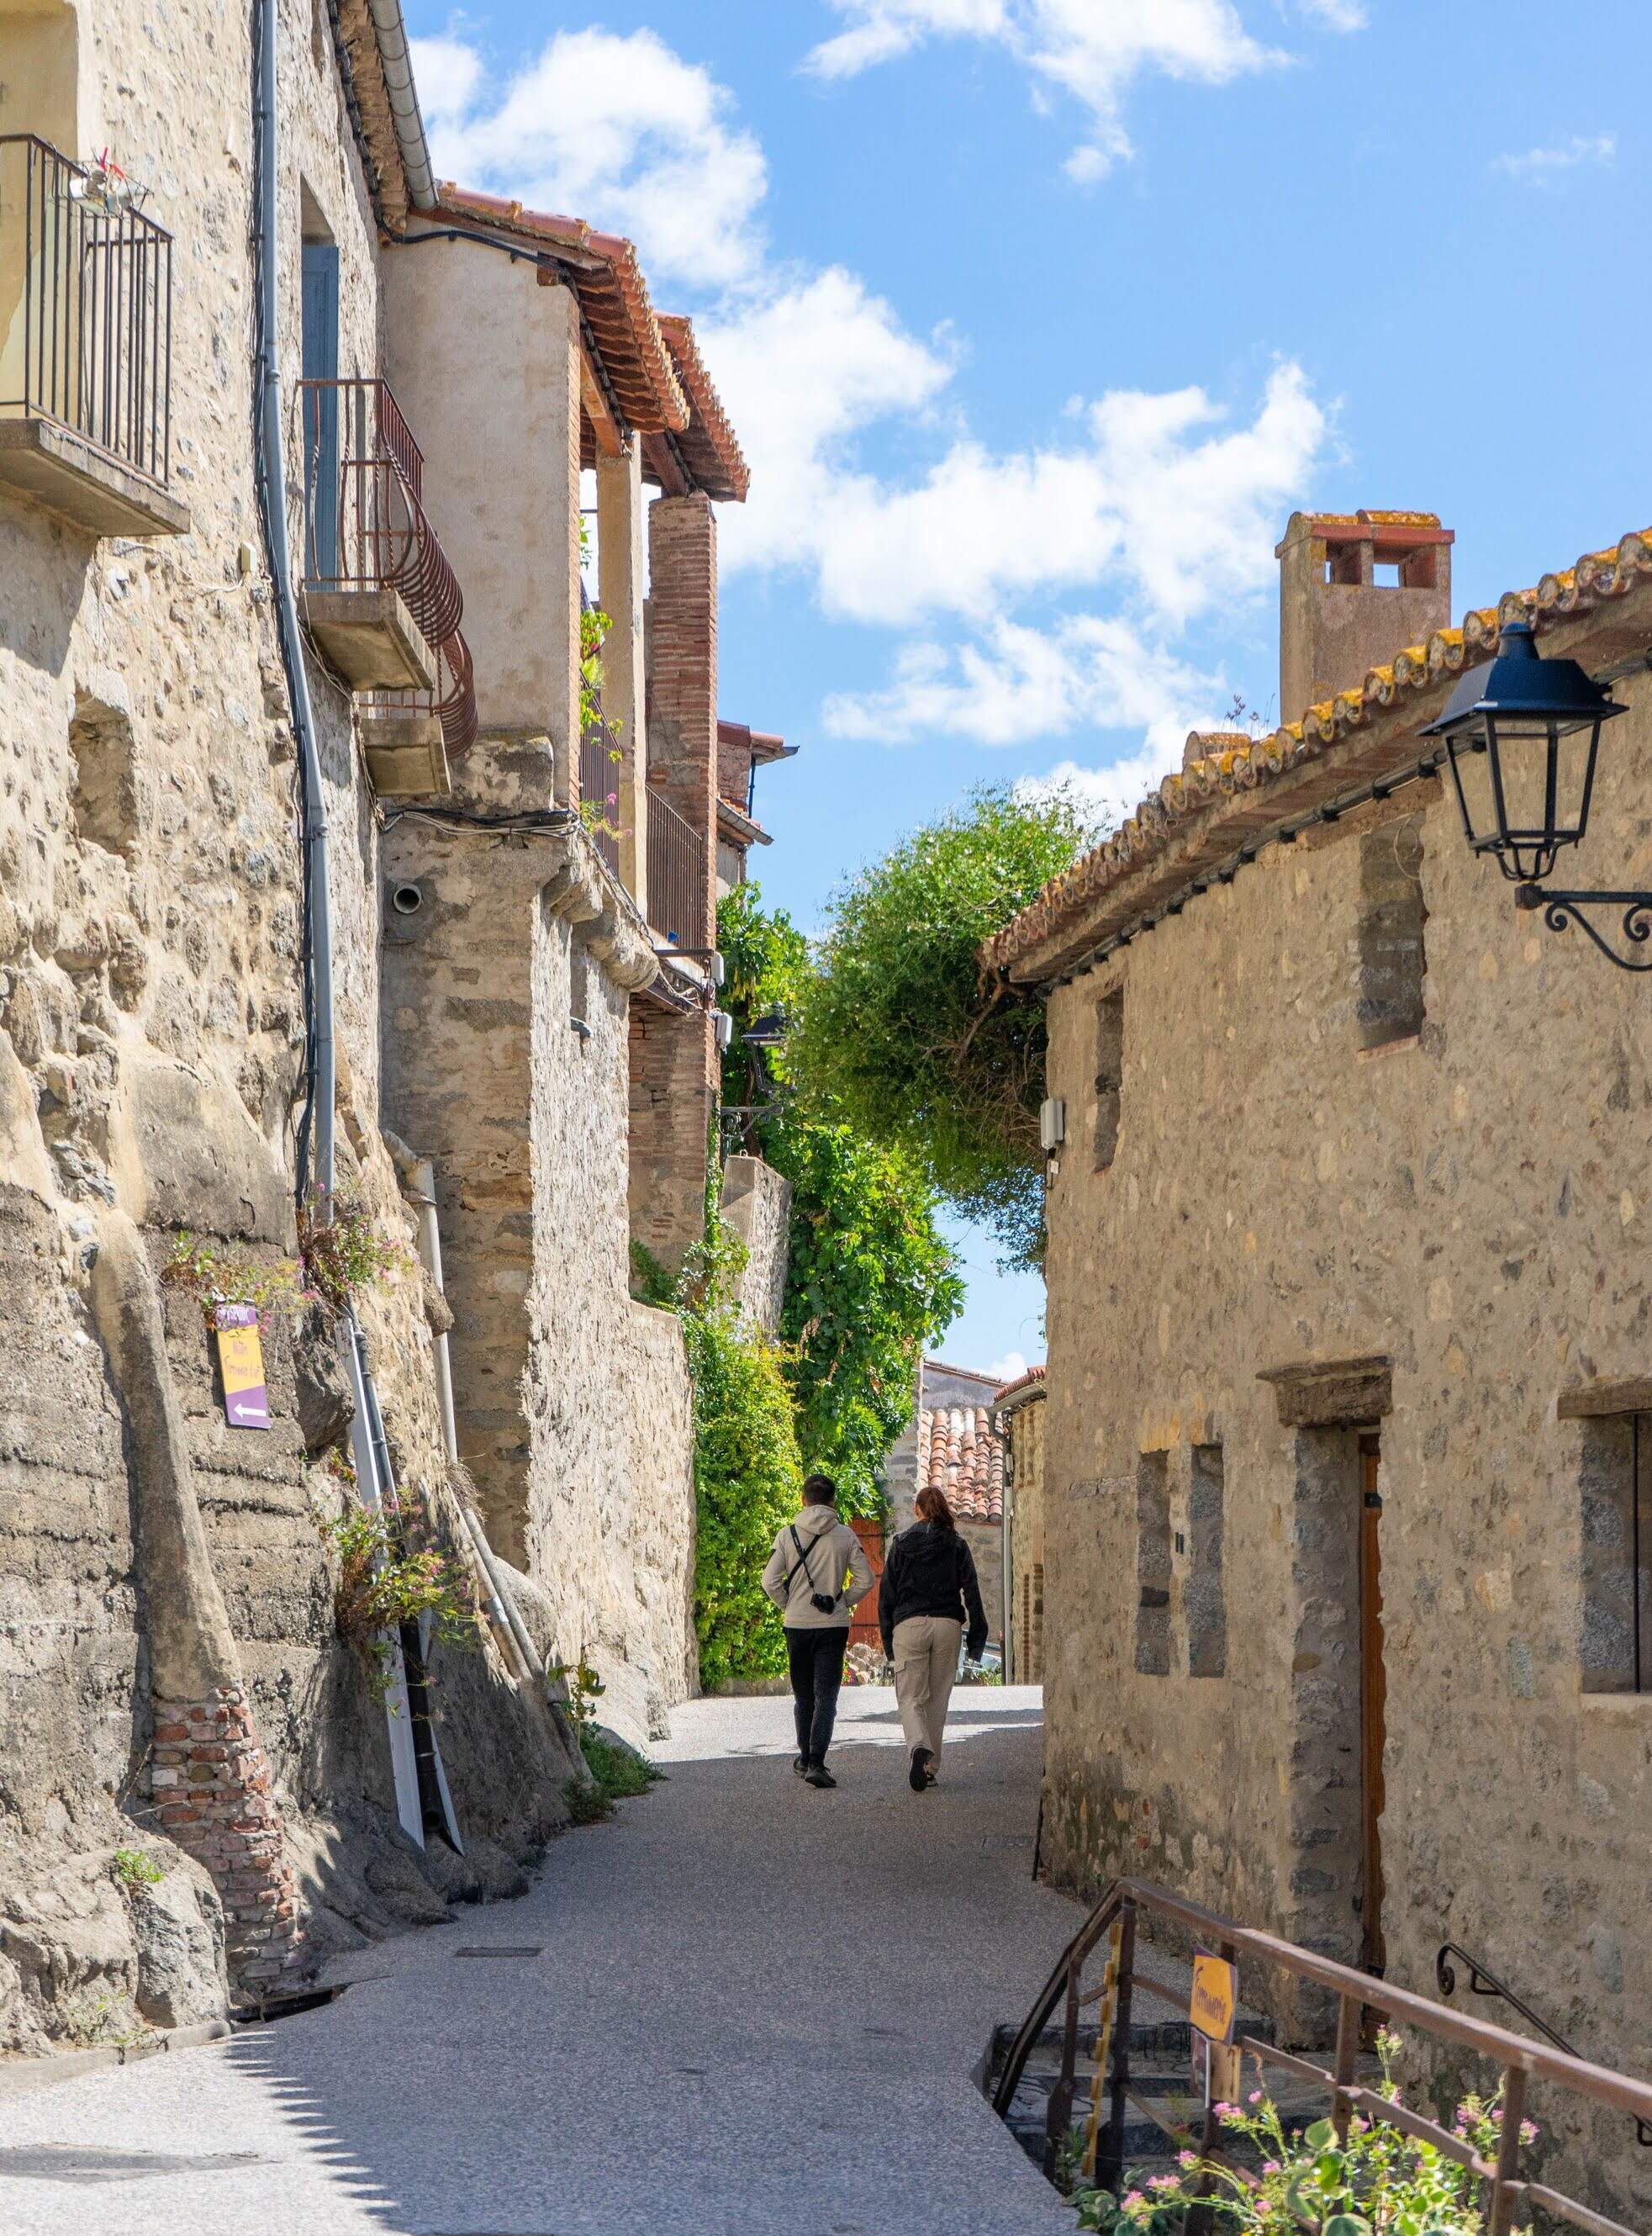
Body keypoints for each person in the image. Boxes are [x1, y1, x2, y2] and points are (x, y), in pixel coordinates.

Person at [761, 1473, 875, 1789]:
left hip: (797, 1625)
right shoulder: (846, 1536)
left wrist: (789, 1605)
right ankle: (817, 1762)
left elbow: (769, 1581)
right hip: (832, 1625)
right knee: (826, 1696)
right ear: (833, 1501)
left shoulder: (786, 1535)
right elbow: (866, 1580)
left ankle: (804, 1757)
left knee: (803, 1695)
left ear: (803, 1499)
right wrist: (842, 1600)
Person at [879, 1484, 987, 1792]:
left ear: (917, 1511)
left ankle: (917, 1747)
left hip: (910, 1625)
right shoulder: (956, 1544)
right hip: (947, 1625)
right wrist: (978, 1634)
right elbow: (972, 1590)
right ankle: (929, 1768)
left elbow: (887, 1595)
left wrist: (888, 1640)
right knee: (938, 1700)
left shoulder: (901, 1544)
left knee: (910, 1697)